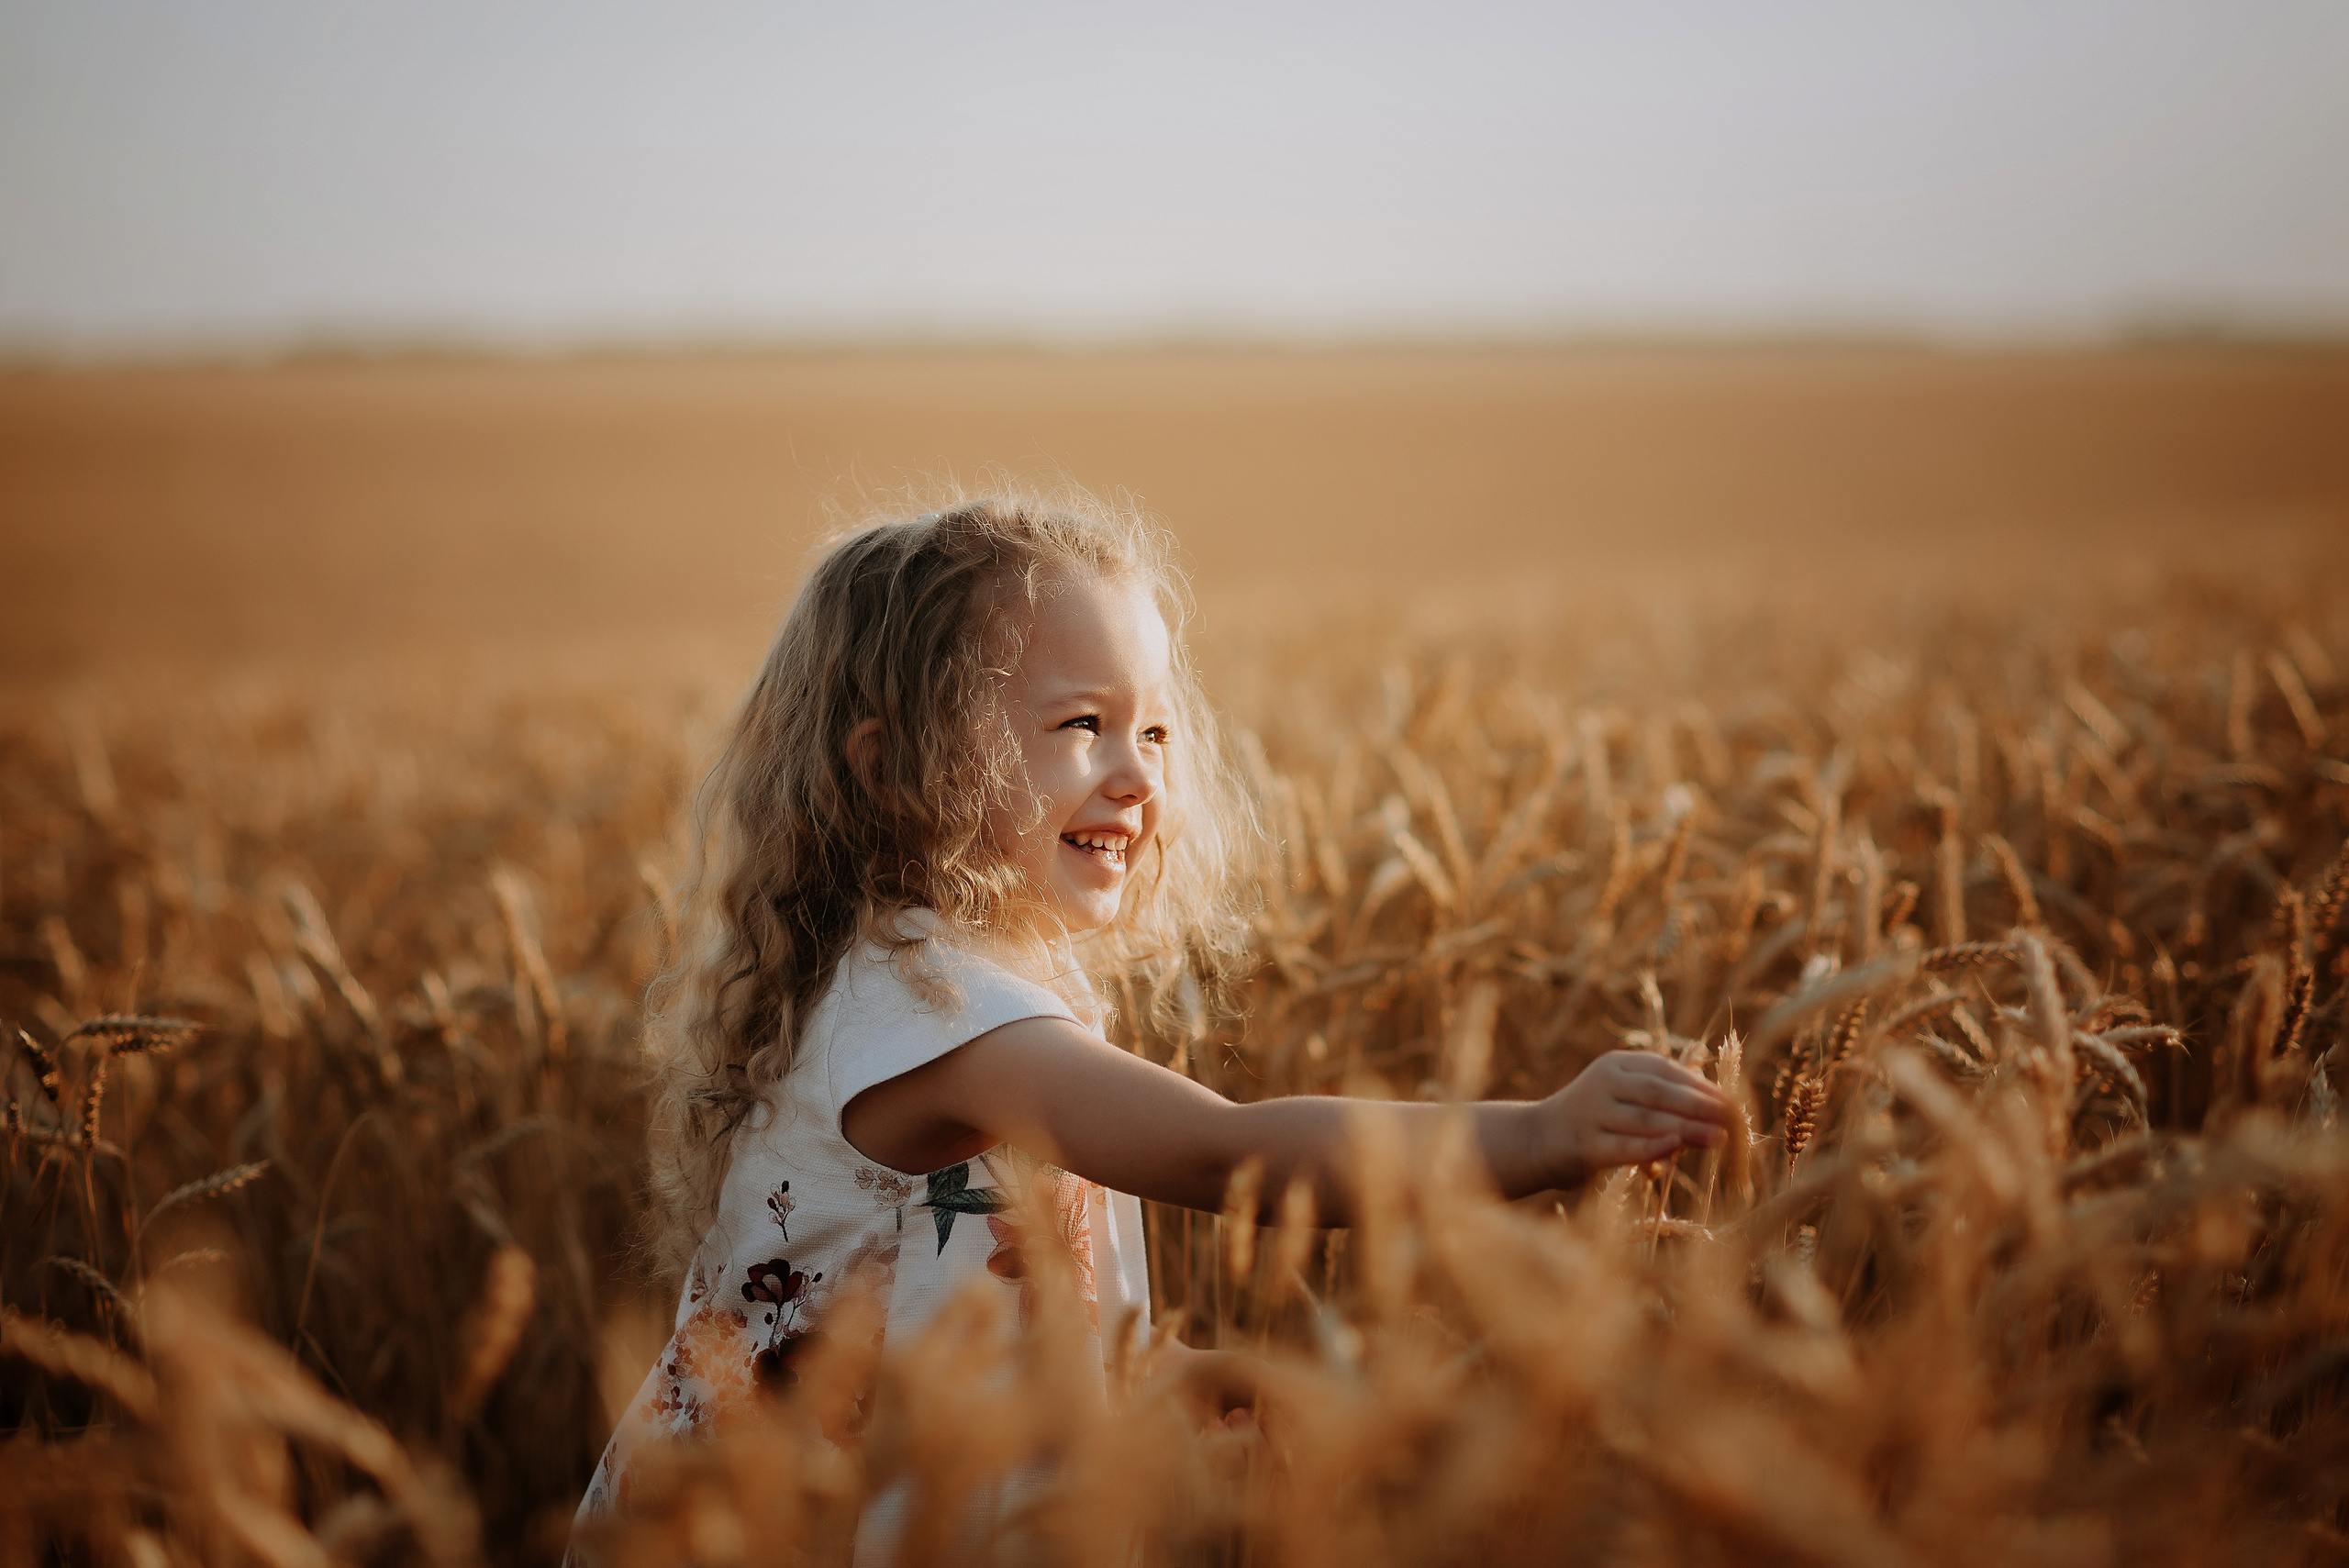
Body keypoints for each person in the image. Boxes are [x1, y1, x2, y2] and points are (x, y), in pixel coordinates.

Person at [573, 492, 1731, 1559]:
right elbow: (1229, 1154)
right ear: (892, 768)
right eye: (1082, 722)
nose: (1139, 774)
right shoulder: (936, 1016)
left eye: (1158, 730)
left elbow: (1017, 1291)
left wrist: (1165, 1367)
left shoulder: (969, 990)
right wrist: (1536, 1135)